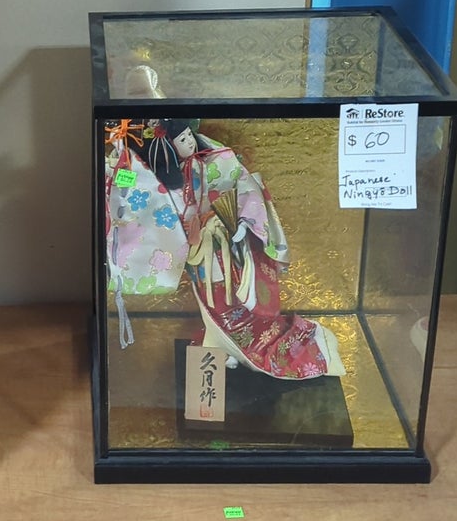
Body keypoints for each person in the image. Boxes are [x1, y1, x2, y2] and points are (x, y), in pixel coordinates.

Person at [105, 117, 342, 379]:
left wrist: (243, 223)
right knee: (209, 301)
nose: (189, 142)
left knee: (230, 300)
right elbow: (143, 206)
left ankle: (237, 343)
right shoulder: (161, 176)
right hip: (197, 252)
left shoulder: (216, 160)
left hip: (228, 247)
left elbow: (245, 188)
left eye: (189, 136)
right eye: (181, 140)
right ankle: (220, 344)